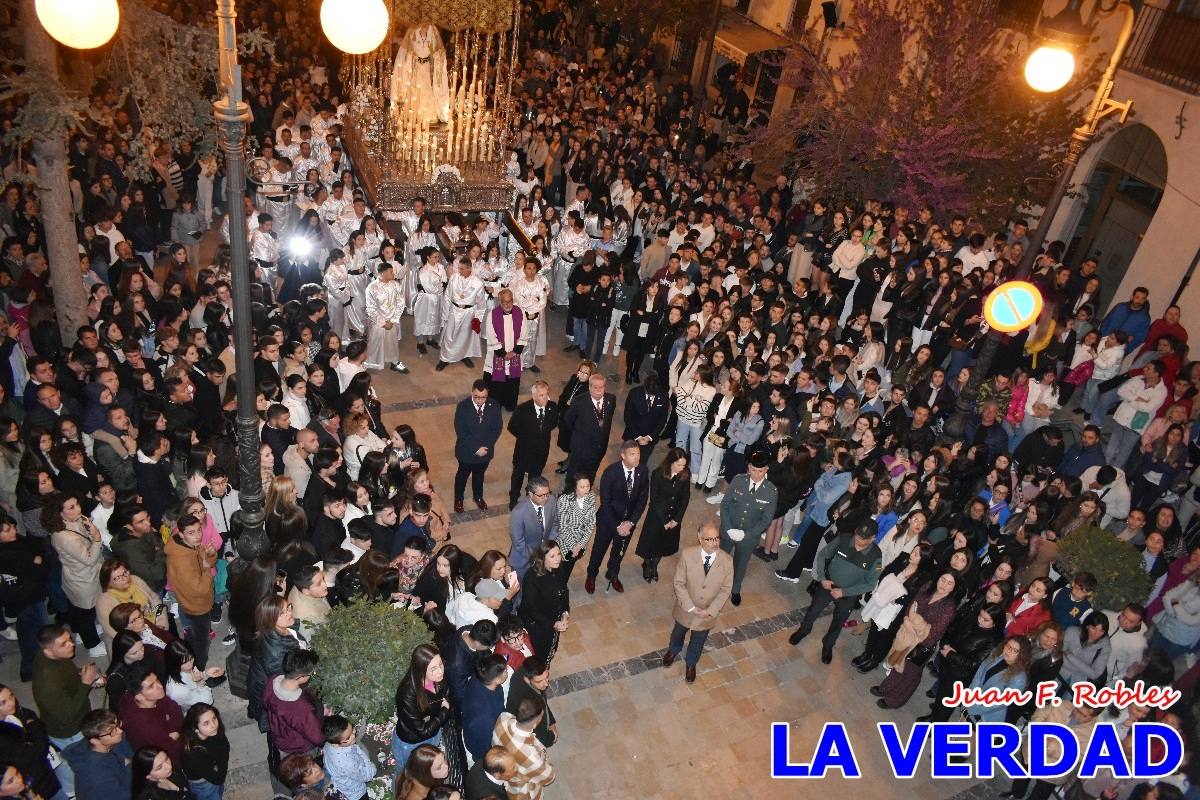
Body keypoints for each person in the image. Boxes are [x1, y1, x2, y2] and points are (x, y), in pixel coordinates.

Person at [788, 521, 882, 664]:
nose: (858, 540)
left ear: (873, 538)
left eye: (863, 539)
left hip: (848, 594)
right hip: (828, 584)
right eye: (857, 536)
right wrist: (822, 578)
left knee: (838, 621)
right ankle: (804, 630)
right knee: (813, 610)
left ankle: (828, 645)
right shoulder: (843, 539)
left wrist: (844, 592)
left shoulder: (876, 555)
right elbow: (822, 555)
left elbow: (870, 584)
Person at [662, 522, 733, 683]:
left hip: (707, 613)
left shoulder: (727, 561)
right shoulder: (688, 555)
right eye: (710, 539)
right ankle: (673, 650)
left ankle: (691, 663)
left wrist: (710, 610)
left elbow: (725, 590)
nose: (715, 543)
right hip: (685, 608)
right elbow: (679, 583)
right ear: (700, 539)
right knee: (678, 632)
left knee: (699, 639)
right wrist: (690, 607)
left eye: (717, 538)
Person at [585, 440, 648, 594]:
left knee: (619, 551)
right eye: (632, 454)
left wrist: (631, 522)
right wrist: (617, 526)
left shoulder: (642, 471)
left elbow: (642, 498)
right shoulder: (611, 473)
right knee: (599, 549)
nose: (636, 458)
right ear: (623, 455)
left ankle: (612, 573)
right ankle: (591, 575)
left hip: (628, 522)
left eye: (638, 453)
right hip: (608, 520)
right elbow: (605, 502)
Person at [719, 450, 778, 606]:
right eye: (753, 470)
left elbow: (766, 520)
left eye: (760, 471)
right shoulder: (739, 480)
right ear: (749, 466)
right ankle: (715, 582)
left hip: (749, 537)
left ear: (766, 470)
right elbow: (725, 504)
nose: (756, 474)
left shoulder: (771, 491)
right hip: (729, 529)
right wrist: (727, 527)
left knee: (741, 563)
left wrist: (746, 534)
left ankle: (735, 589)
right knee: (721, 558)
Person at [32, 623, 101, 751]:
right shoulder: (48, 684)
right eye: (63, 644)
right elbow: (67, 716)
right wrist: (86, 683)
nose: (71, 644)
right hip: (70, 732)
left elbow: (66, 674)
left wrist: (82, 674)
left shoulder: (54, 655)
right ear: (48, 650)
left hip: (78, 712)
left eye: (69, 639)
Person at [164, 513, 217, 671]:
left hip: (197, 601)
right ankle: (198, 669)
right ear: (181, 534)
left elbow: (207, 562)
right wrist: (207, 570)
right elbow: (199, 589)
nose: (198, 536)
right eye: (191, 533)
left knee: (197, 634)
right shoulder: (181, 559)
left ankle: (189, 648)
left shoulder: (189, 545)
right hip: (196, 606)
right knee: (202, 639)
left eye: (199, 530)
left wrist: (209, 554)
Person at [635, 447, 691, 583]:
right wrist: (665, 520)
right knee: (651, 543)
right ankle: (647, 564)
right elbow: (655, 499)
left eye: (684, 465)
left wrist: (677, 519)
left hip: (674, 517)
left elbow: (685, 498)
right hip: (658, 516)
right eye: (679, 465)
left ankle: (654, 566)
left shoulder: (685, 474)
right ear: (671, 462)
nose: (681, 468)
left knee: (663, 544)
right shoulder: (658, 474)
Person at [392, 644, 450, 771]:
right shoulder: (407, 694)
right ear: (421, 670)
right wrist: (445, 711)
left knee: (425, 771)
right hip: (412, 743)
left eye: (441, 664)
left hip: (433, 734)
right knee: (406, 773)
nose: (440, 671)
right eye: (433, 668)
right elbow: (422, 731)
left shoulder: (437, 679)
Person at [505, 380, 559, 509]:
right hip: (523, 450)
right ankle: (514, 497)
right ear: (534, 396)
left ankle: (530, 496)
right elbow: (512, 427)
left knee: (535, 477)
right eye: (541, 395)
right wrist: (526, 437)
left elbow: (553, 423)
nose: (545, 398)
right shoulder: (523, 409)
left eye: (546, 394)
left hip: (541, 451)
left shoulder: (552, 407)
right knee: (518, 475)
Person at [452, 379, 502, 514]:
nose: (480, 400)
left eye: (483, 397)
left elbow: (496, 428)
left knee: (479, 475)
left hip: (485, 451)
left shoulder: (494, 405)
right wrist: (476, 448)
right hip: (466, 452)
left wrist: (486, 446)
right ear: (471, 393)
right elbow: (461, 431)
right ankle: (458, 499)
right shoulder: (463, 407)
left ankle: (478, 496)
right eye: (477, 397)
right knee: (462, 476)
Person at [263, 648, 323, 759]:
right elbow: (316, 737)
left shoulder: (272, 680)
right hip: (299, 748)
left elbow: (265, 702)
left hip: (279, 737)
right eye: (311, 673)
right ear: (301, 677)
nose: (312, 675)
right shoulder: (300, 708)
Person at [62, 709, 134, 800]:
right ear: (95, 741)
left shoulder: (110, 743)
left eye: (117, 724)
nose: (120, 731)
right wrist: (129, 767)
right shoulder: (97, 776)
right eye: (112, 731)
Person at [492, 697, 554, 800]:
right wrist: (544, 759)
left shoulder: (503, 718)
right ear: (535, 724)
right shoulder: (532, 757)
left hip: (503, 777)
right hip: (522, 792)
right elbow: (549, 778)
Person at [518, 541, 570, 664]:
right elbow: (530, 608)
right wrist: (553, 623)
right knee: (538, 655)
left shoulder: (559, 568)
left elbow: (564, 592)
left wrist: (565, 613)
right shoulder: (532, 577)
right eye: (552, 556)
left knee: (551, 648)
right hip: (537, 626)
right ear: (542, 558)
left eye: (558, 554)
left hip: (554, 621)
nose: (558, 559)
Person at [560, 373, 615, 487]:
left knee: (591, 472)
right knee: (574, 473)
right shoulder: (579, 401)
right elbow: (568, 420)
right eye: (595, 387)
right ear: (589, 387)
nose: (599, 390)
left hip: (599, 448)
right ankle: (569, 491)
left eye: (602, 387)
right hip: (581, 447)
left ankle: (586, 490)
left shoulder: (611, 399)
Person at [118, 671, 183, 766]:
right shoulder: (147, 727)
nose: (160, 686)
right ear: (139, 697)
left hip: (165, 740)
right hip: (163, 760)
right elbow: (175, 751)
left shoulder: (132, 696)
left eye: (157, 680)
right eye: (151, 686)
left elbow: (174, 706)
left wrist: (174, 730)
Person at [483, 288, 530, 411]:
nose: (507, 304)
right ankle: (495, 405)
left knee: (512, 383)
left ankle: (510, 404)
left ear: (513, 300)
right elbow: (491, 336)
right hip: (497, 355)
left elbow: (524, 333)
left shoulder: (520, 313)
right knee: (496, 383)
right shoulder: (492, 315)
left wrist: (514, 352)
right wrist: (503, 354)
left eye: (509, 301)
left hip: (514, 355)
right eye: (504, 302)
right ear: (500, 302)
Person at [436, 257, 485, 371]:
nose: (459, 271)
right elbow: (447, 296)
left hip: (468, 312)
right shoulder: (454, 278)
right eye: (459, 268)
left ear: (469, 269)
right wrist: (445, 314)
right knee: (449, 335)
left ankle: (463, 356)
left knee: (465, 336)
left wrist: (478, 319)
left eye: (462, 269)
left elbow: (481, 304)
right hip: (454, 310)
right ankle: (444, 358)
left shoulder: (478, 283)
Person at [508, 476, 558, 583]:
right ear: (530, 494)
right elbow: (518, 541)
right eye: (541, 495)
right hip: (523, 558)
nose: (546, 498)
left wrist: (547, 546)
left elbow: (555, 524)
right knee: (519, 586)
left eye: (547, 493)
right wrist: (535, 556)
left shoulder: (552, 500)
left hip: (543, 554)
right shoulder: (518, 512)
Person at [461, 653, 508, 764]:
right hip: (481, 751)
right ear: (496, 680)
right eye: (505, 670)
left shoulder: (479, 677)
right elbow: (483, 748)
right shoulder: (484, 716)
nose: (507, 671)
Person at [180, 703, 229, 800]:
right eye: (206, 723)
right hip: (202, 784)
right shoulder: (193, 752)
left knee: (219, 792)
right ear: (195, 728)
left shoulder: (213, 732)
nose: (213, 725)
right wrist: (222, 759)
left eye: (214, 718)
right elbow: (218, 779)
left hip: (212, 770)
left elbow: (224, 746)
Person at [505, 657, 556, 750]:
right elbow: (535, 728)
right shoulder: (524, 699)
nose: (546, 684)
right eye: (539, 681)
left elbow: (543, 701)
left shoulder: (527, 672)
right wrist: (551, 737)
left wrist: (551, 721)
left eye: (547, 676)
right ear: (528, 680)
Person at [321, 714, 376, 800]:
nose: (354, 735)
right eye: (348, 737)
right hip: (356, 793)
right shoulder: (347, 762)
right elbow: (367, 776)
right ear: (336, 743)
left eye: (352, 729)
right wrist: (371, 765)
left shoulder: (328, 744)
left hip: (343, 782)